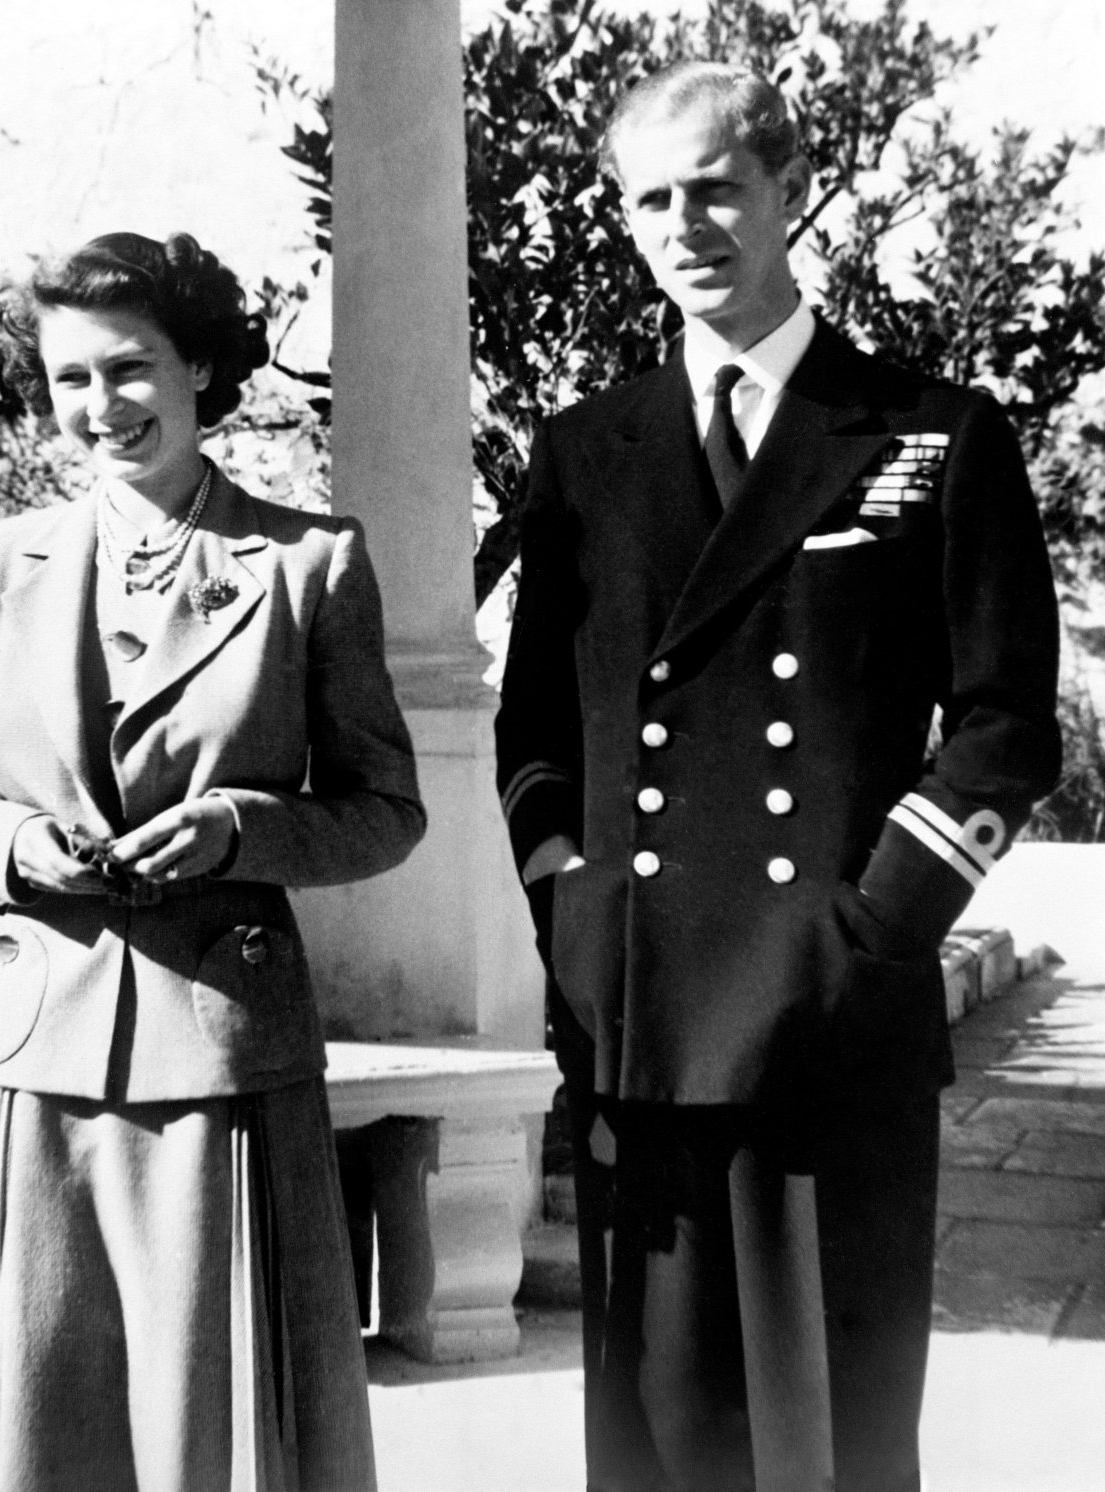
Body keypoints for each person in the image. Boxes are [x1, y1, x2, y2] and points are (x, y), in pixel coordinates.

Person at [496, 61, 1061, 1492]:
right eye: (651, 201)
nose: (684, 226)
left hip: (830, 1013)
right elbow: (535, 730)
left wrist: (870, 929)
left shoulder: (930, 431)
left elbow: (1005, 723)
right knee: (659, 1431)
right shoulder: (586, 451)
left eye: (715, 190)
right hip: (642, 1008)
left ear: (792, 192)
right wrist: (571, 907)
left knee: (834, 1436)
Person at [0, 230, 425, 1492]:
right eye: (72, 378)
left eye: (131, 367)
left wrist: (241, 829)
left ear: (199, 366)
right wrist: (25, 846)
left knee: (208, 1413)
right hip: (38, 1061)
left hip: (222, 1055)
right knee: (36, 1408)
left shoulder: (309, 562)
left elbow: (385, 810)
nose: (103, 405)